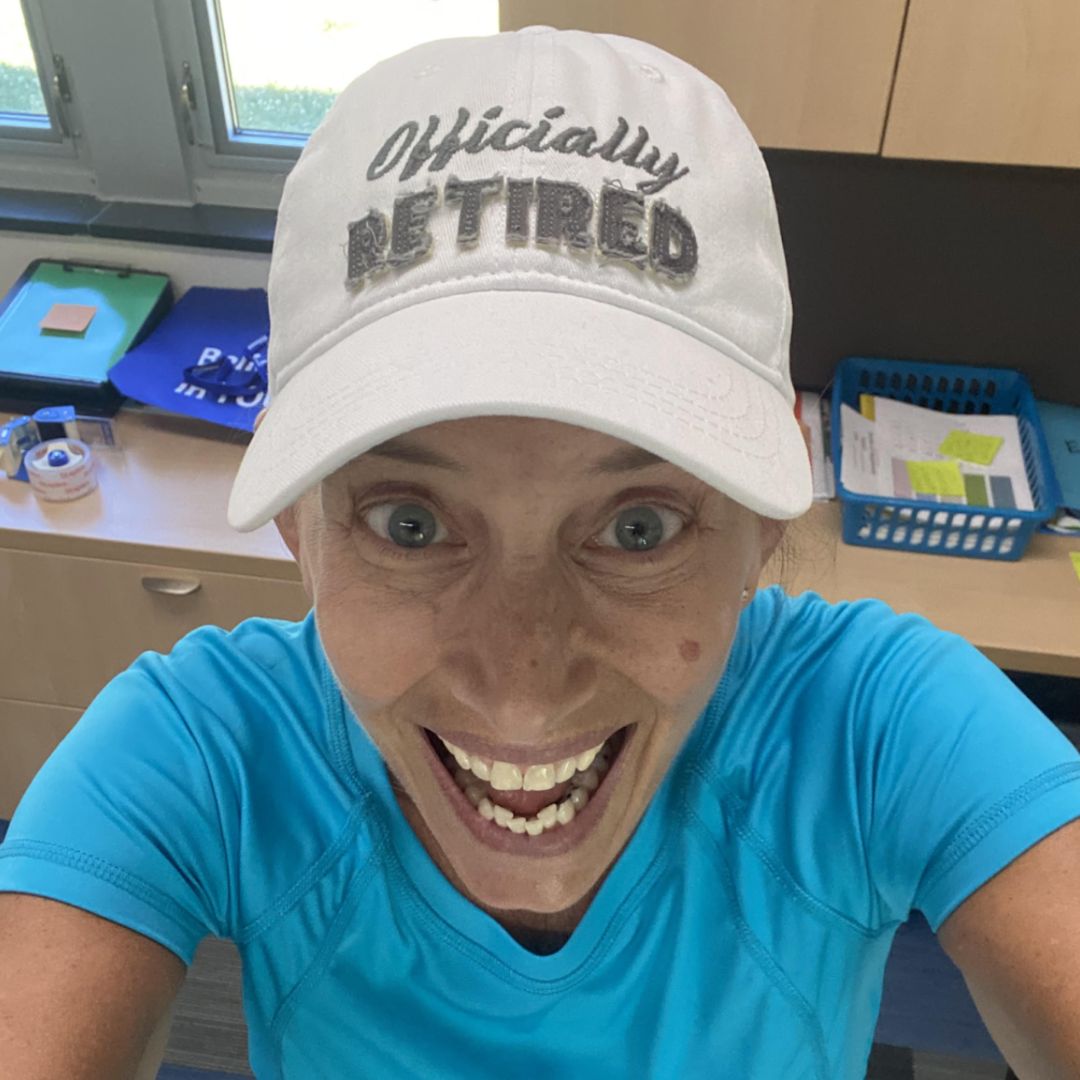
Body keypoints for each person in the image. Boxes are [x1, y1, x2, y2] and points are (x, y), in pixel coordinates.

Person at [2, 26, 1079, 1080]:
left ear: (761, 524)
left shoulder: (870, 726)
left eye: (637, 528)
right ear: (298, 523)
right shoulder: (209, 753)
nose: (520, 690)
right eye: (407, 524)